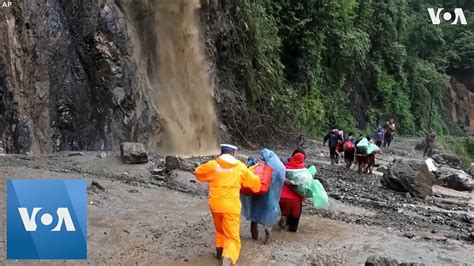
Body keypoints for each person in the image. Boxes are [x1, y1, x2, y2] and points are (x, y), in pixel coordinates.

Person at [195, 144, 261, 266]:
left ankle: (219, 252)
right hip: (231, 207)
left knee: (220, 230)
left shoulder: (213, 165)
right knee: (232, 237)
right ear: (233, 153)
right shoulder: (240, 167)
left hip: (215, 205)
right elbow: (255, 185)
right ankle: (227, 259)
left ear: (221, 152)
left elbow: (198, 173)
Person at [241, 149, 285, 244]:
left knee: (254, 219)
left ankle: (254, 240)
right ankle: (268, 236)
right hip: (270, 198)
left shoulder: (258, 166)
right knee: (267, 218)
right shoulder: (277, 167)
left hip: (257, 195)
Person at [279, 149, 306, 232]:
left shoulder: (284, 166)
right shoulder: (304, 171)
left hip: (282, 198)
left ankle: (283, 217)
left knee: (284, 212)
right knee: (293, 229)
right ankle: (289, 227)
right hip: (296, 201)